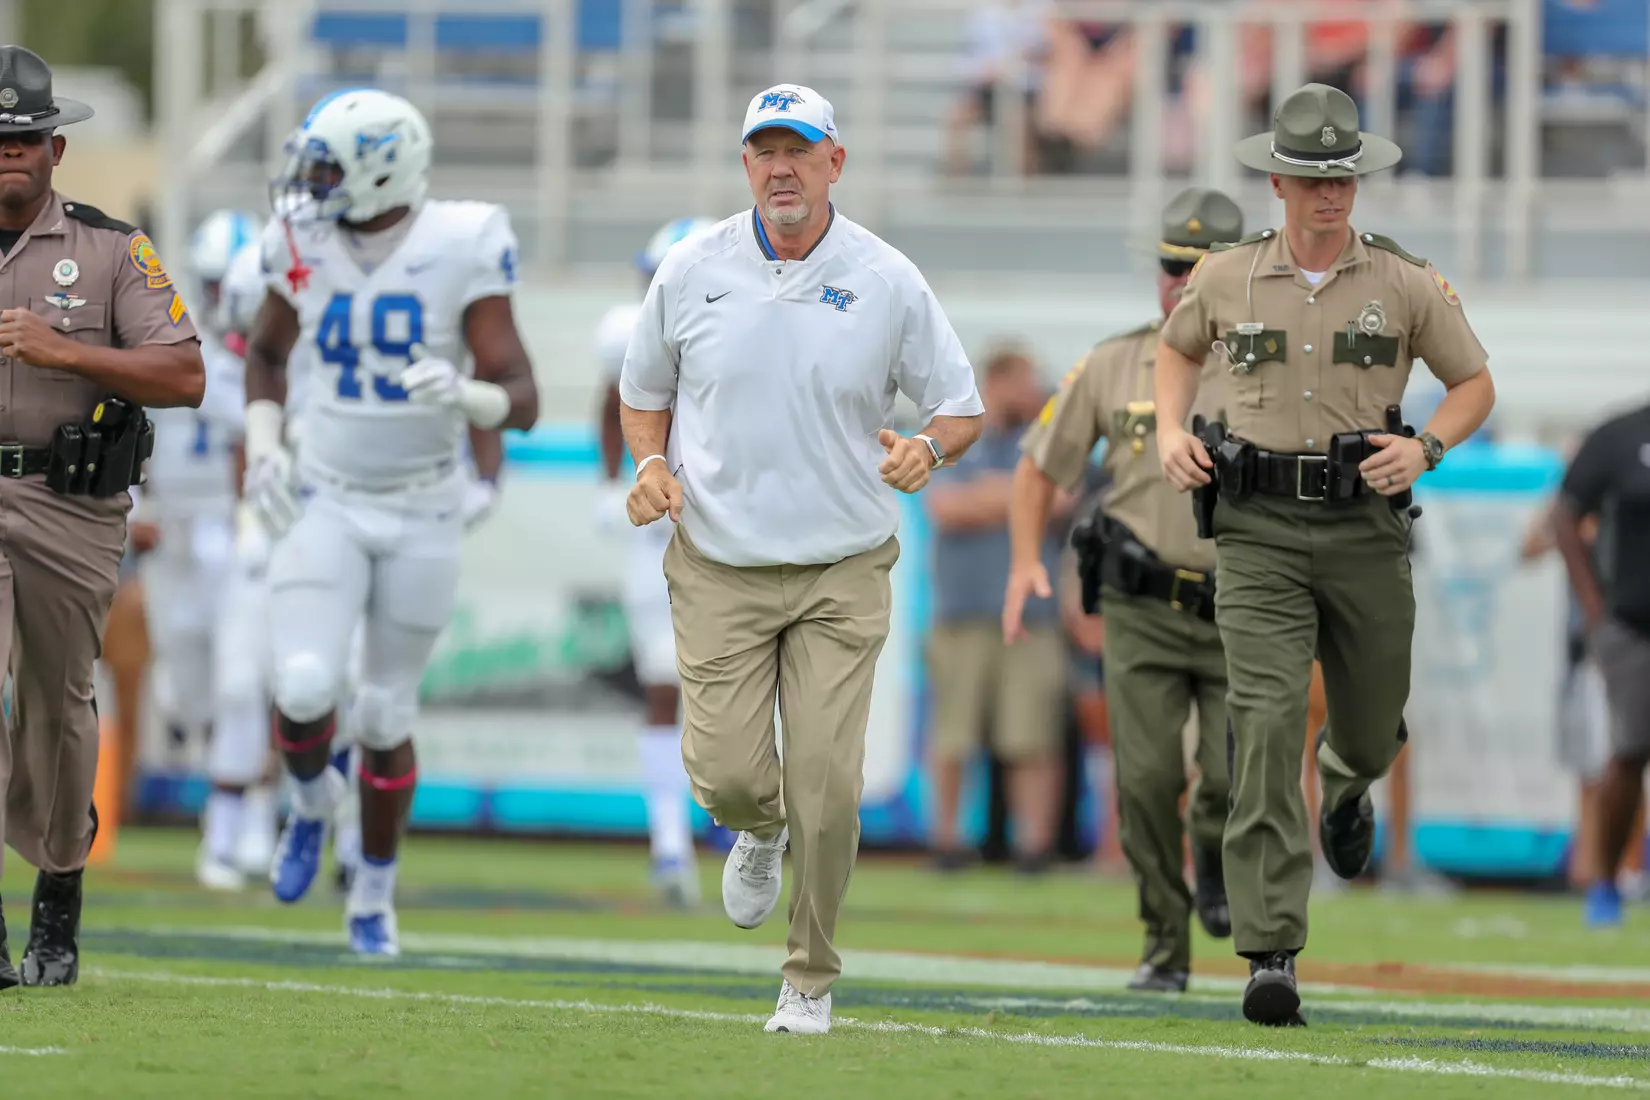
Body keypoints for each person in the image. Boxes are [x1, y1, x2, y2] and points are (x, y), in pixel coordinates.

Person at [619, 83, 984, 1034]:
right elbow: (641, 390)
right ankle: (757, 825)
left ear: (836, 162)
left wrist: (928, 450)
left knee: (828, 785)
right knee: (735, 778)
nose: (781, 167)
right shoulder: (692, 268)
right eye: (764, 150)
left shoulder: (888, 276)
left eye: (799, 149)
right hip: (718, 560)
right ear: (745, 164)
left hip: (842, 562)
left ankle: (808, 980)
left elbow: (960, 404)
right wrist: (652, 463)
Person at [1155, 83, 1495, 1025]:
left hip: (1364, 527)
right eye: (1311, 178)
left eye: (1343, 176)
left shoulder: (1403, 280)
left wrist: (1426, 446)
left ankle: (1350, 787)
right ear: (1277, 181)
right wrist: (1167, 434)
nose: (1330, 194)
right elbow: (1176, 350)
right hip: (1257, 528)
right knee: (1263, 725)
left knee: (1374, 718)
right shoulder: (1225, 277)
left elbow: (1474, 383)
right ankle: (1271, 952)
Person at [243, 88, 539, 957]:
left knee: (382, 712)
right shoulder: (300, 240)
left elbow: (521, 397)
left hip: (421, 504)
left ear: (382, 169)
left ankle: (372, 891)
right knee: (301, 686)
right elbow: (263, 352)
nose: (310, 185)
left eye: (328, 168)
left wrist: (470, 394)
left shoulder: (465, 239)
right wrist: (265, 443)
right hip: (325, 493)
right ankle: (308, 806)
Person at [0, 46, 206, 989]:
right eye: (0, 139)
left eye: (28, 138)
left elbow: (184, 374)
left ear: (57, 148)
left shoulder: (111, 249)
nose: (14, 153)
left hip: (67, 500)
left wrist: (66, 353)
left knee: (59, 706)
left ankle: (58, 892)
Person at [1007, 188, 1242, 993]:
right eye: (1173, 266)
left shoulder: (1274, 365)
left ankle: (1213, 857)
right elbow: (1041, 464)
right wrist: (1022, 561)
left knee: (1229, 778)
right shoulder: (1114, 362)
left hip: (1243, 605)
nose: (1184, 282)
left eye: (1204, 269)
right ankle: (1163, 944)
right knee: (1143, 782)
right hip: (1141, 604)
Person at [130, 208, 275, 891]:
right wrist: (136, 509)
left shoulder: (275, 361)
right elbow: (133, 441)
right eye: (214, 285)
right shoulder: (170, 347)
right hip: (175, 536)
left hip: (239, 528)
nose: (222, 302)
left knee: (241, 682)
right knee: (189, 698)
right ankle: (246, 808)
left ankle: (237, 831)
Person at [596, 215, 718, 908]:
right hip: (657, 531)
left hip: (730, 525)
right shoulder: (629, 338)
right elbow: (608, 399)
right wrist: (605, 480)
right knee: (662, 684)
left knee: (749, 679)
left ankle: (741, 827)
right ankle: (670, 845)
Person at [925, 345, 1067, 874]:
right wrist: (1020, 495)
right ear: (995, 381)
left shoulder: (1046, 438)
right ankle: (946, 842)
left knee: (1032, 736)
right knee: (952, 734)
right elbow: (945, 506)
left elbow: (1063, 499)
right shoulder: (954, 432)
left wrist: (989, 495)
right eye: (1024, 382)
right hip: (960, 613)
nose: (1033, 393)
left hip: (1031, 616)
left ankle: (1035, 848)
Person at [1552, 398, 1650, 928]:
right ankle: (1607, 882)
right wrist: (1594, 609)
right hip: (1634, 625)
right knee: (1631, 751)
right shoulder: (1620, 435)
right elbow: (1564, 513)